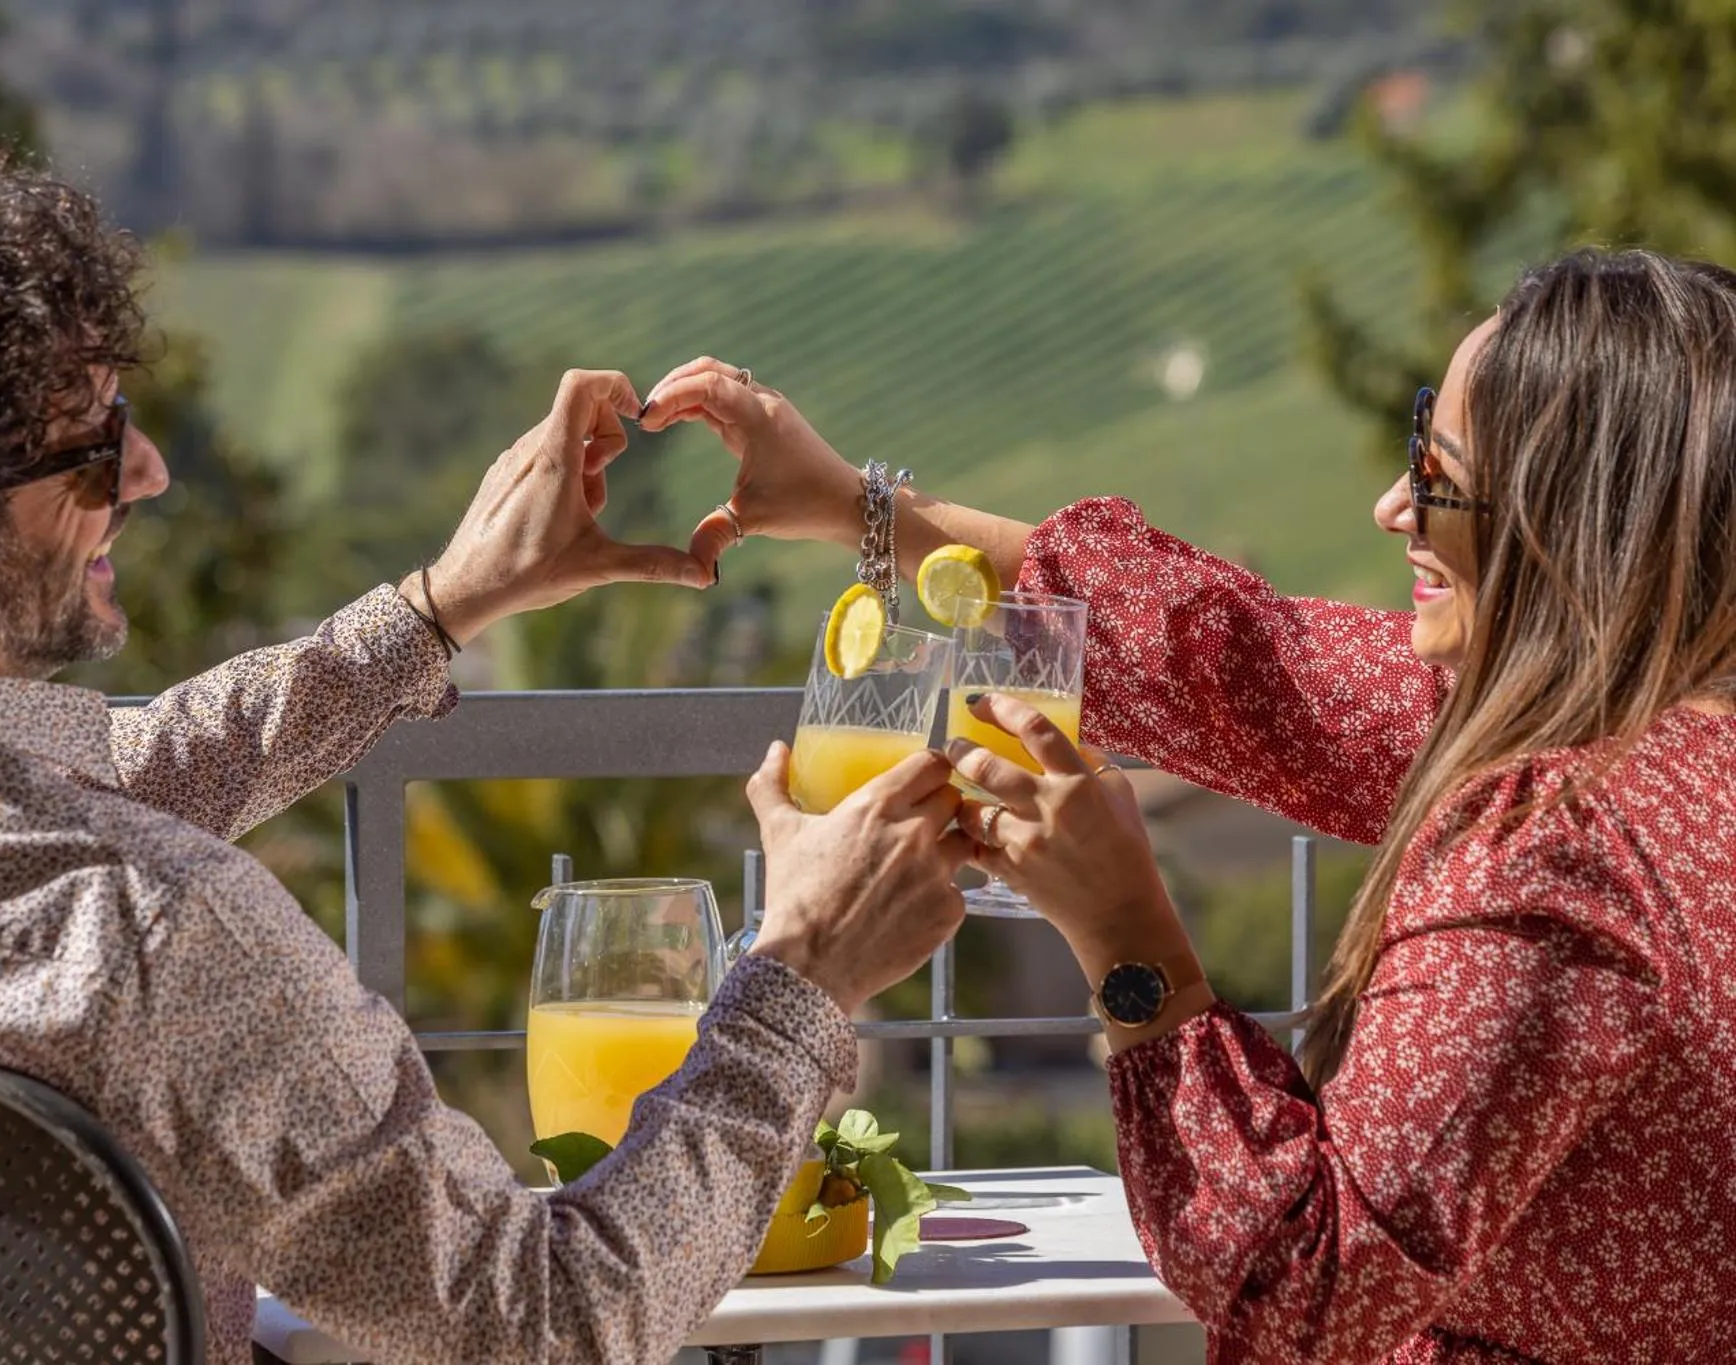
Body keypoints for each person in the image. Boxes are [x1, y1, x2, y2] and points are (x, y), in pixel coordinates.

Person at [0, 135, 975, 1365]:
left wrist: (438, 608)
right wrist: (801, 978)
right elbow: (548, 1322)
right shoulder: (150, 939)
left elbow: (39, 820)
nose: (145, 470)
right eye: (86, 452)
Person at [640, 248, 1736, 1362]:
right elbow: (1235, 664)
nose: (1391, 505)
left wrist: (1125, 939)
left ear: (1577, 523)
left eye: (1438, 474)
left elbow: (1299, 1291)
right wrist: (855, 507)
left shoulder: (1547, 844)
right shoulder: (1648, 744)